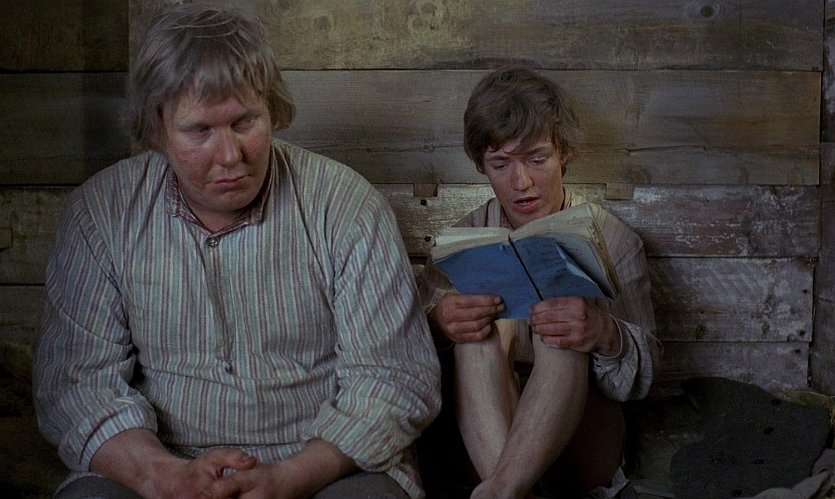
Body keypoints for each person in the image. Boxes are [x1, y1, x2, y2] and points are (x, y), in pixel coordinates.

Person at [33, 5, 441, 499]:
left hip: (326, 468)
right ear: (157, 130)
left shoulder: (346, 206)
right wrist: (167, 477)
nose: (230, 156)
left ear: (272, 109)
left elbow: (394, 378)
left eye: (245, 122)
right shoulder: (101, 212)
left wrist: (288, 477)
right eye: (199, 130)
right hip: (159, 467)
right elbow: (77, 386)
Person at [418, 67, 660, 498]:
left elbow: (641, 381)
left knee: (560, 325)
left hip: (582, 441)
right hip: (482, 436)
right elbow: (403, 359)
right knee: (479, 332)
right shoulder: (460, 243)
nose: (522, 182)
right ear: (482, 166)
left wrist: (604, 333)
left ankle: (502, 490)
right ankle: (509, 490)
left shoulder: (615, 240)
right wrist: (439, 324)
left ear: (563, 153)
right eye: (500, 164)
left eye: (537, 158)